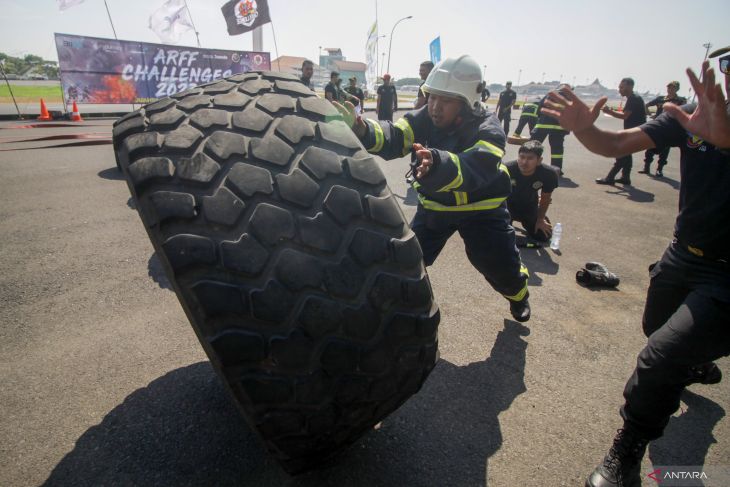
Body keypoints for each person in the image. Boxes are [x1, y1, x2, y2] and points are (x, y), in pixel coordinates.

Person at [541, 48, 730, 487]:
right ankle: (696, 363)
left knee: (660, 357)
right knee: (656, 329)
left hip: (726, 275)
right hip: (683, 255)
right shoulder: (690, 115)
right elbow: (615, 144)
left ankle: (627, 450)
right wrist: (586, 129)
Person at [333, 55, 531, 322]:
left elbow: (479, 166)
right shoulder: (425, 116)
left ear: (467, 103)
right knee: (407, 262)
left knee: (500, 267)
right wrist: (362, 129)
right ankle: (394, 314)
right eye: (432, 97)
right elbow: (395, 135)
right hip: (436, 209)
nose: (435, 107)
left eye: (446, 100)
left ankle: (518, 297)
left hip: (483, 211)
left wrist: (438, 164)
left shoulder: (489, 127)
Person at [595, 78, 646, 185]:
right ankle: (625, 177)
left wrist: (609, 112)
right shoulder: (634, 98)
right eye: (619, 87)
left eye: (622, 87)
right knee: (626, 154)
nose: (619, 90)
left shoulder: (633, 99)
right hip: (636, 132)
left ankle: (610, 178)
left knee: (621, 153)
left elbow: (625, 116)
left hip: (635, 133)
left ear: (630, 86)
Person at [505, 140, 558, 243]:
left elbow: (545, 198)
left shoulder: (548, 174)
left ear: (539, 160)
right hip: (507, 207)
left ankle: (536, 217)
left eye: (530, 158)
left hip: (529, 207)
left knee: (544, 236)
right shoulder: (507, 169)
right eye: (522, 157)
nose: (524, 162)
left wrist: (540, 219)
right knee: (498, 236)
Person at [640, 81, 687, 177]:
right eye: (669, 87)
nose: (670, 89)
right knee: (650, 146)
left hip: (670, 127)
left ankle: (659, 169)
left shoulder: (681, 100)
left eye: (673, 88)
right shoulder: (661, 99)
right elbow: (646, 105)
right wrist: (650, 114)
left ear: (677, 89)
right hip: (657, 126)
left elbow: (684, 111)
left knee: (665, 150)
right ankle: (646, 167)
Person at [530, 84, 572, 175]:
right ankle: (557, 169)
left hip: (543, 125)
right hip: (559, 128)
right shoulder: (570, 98)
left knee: (532, 147)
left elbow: (539, 107)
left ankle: (529, 166)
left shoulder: (551, 94)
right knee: (557, 150)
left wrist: (541, 119)